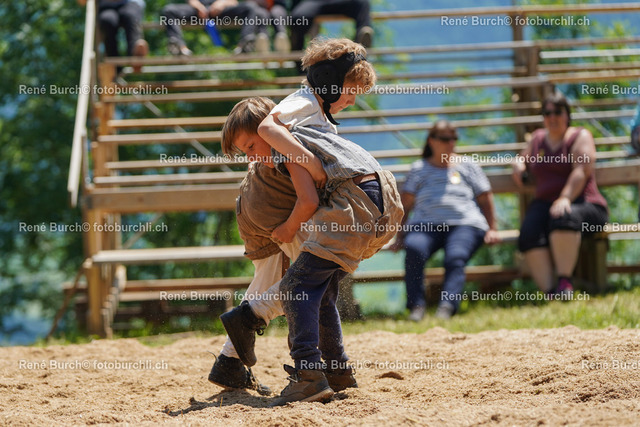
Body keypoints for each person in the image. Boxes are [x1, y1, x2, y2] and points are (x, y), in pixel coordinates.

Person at [207, 160, 358, 397]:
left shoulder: (270, 154)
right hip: (279, 205)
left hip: (254, 200)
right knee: (310, 284)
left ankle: (229, 361)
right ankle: (315, 366)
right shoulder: (287, 145)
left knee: (271, 282)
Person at [390, 121, 500, 321]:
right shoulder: (418, 169)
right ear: (431, 141)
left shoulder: (468, 165)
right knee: (414, 249)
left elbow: (485, 198)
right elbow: (405, 205)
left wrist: (492, 228)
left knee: (456, 256)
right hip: (425, 225)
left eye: (453, 139)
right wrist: (399, 236)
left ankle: (447, 307)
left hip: (465, 224)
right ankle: (416, 307)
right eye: (445, 139)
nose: (451, 143)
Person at [512, 92, 609, 297]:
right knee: (529, 232)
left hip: (585, 203)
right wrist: (518, 165)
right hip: (544, 202)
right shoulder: (538, 138)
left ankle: (565, 284)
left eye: (557, 112)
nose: (552, 117)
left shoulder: (580, 136)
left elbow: (582, 170)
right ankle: (550, 294)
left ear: (567, 115)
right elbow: (522, 157)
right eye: (547, 113)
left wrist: (565, 198)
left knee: (563, 216)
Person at [160, 0, 270, 56]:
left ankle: (244, 44)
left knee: (250, 7)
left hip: (222, 12)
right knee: (168, 10)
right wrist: (198, 7)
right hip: (198, 12)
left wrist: (222, 3)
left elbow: (234, 1)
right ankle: (179, 47)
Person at [289, 0, 374, 53]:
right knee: (298, 17)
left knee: (362, 2)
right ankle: (298, 58)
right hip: (312, 2)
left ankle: (362, 39)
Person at [96, 0, 148, 72]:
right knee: (107, 20)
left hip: (130, 3)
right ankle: (115, 67)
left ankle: (136, 55)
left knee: (130, 16)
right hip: (107, 6)